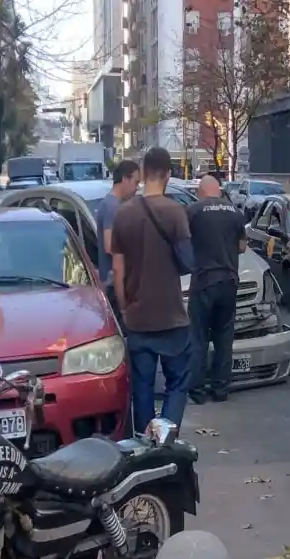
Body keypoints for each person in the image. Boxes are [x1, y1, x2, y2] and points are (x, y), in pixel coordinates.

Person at [111, 147, 195, 435]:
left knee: (142, 387)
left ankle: (145, 443)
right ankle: (166, 436)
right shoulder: (175, 212)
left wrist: (124, 307)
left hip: (137, 318)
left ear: (144, 174)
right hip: (171, 316)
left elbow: (118, 270)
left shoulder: (123, 214)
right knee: (178, 382)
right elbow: (188, 262)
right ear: (168, 175)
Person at [185, 175, 248, 404]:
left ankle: (197, 392)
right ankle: (221, 389)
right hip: (229, 281)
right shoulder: (235, 212)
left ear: (202, 191)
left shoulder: (193, 211)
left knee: (199, 337)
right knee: (224, 337)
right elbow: (241, 247)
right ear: (219, 191)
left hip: (203, 282)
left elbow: (182, 242)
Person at [100, 160, 140, 301]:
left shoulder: (109, 204)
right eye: (135, 182)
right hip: (113, 283)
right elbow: (109, 246)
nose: (137, 188)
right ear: (125, 179)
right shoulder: (113, 207)